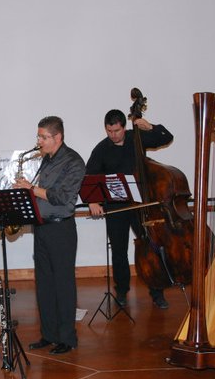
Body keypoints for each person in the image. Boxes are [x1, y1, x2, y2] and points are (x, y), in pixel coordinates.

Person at [85, 108, 174, 309]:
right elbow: (90, 176)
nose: (113, 135)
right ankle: (122, 291)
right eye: (109, 131)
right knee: (119, 250)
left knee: (151, 247)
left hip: (142, 204)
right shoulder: (101, 149)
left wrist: (150, 127)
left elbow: (166, 137)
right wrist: (93, 201)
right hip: (116, 207)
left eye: (116, 130)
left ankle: (157, 291)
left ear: (124, 127)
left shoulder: (137, 138)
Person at [14, 116, 86, 355]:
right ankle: (49, 334)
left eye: (43, 137)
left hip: (61, 229)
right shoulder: (46, 159)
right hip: (42, 227)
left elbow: (61, 197)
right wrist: (25, 190)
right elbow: (41, 193)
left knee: (63, 285)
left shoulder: (74, 161)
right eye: (38, 136)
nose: (39, 141)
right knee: (44, 284)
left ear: (58, 137)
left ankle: (67, 338)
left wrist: (31, 189)